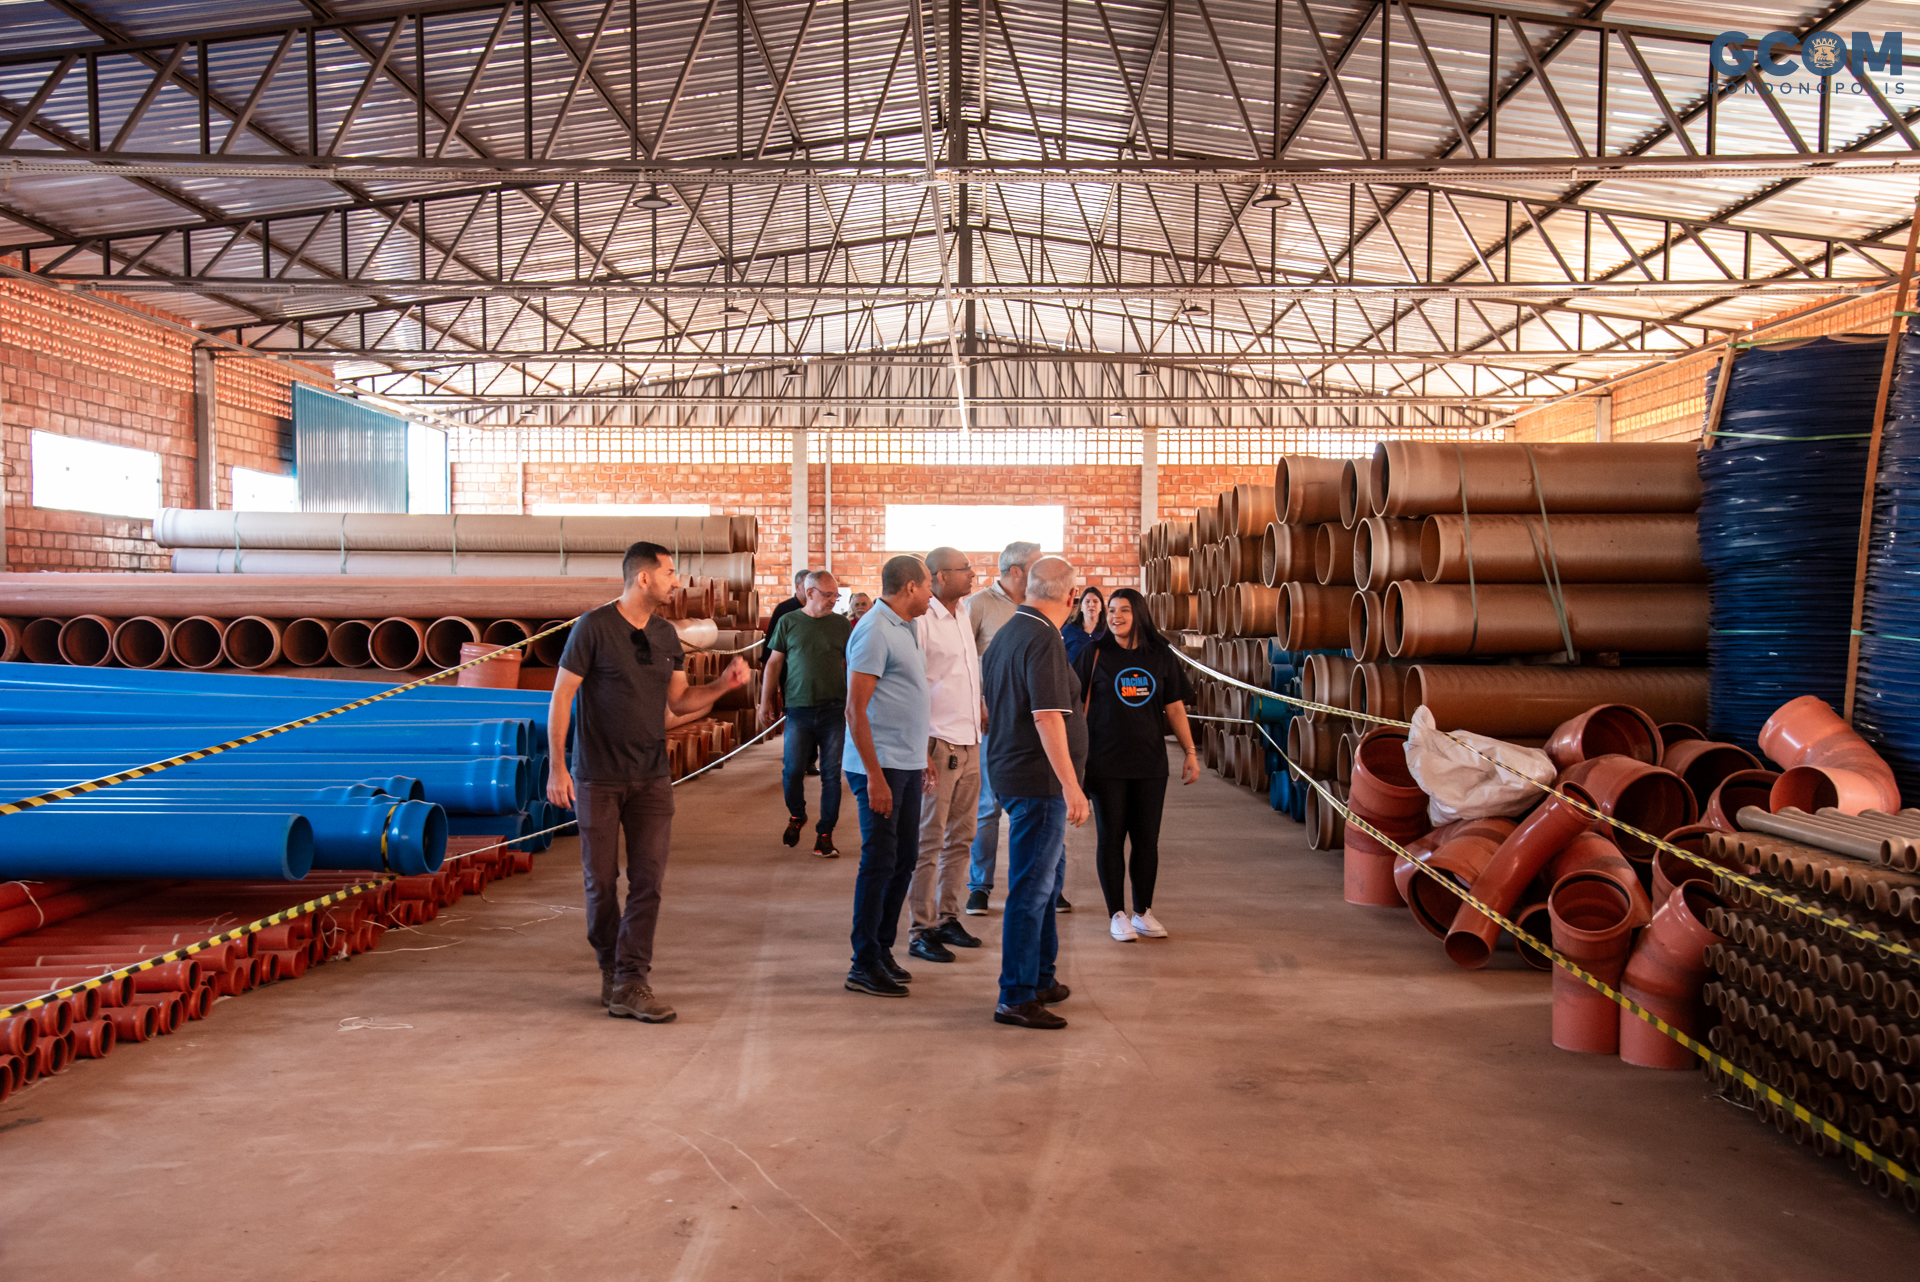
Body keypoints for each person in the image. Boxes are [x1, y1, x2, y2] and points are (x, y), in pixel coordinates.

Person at [547, 541, 751, 1023]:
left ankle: (631, 979)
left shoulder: (665, 635)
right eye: (669, 572)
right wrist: (557, 767)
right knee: (601, 883)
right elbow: (561, 698)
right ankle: (611, 966)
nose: (676, 581)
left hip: (652, 778)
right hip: (598, 778)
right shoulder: (592, 628)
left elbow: (679, 702)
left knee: (648, 883)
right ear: (643, 577)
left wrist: (722, 685)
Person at [981, 555, 1089, 1029]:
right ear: (1071, 596)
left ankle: (1041, 976)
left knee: (1047, 882)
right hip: (1039, 782)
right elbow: (1046, 717)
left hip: (1014, 772)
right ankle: (1016, 995)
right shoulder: (1044, 638)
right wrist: (1071, 786)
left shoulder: (1009, 631)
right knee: (1030, 888)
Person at [1072, 587, 1199, 943]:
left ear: (1139, 613)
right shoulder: (1094, 653)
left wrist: (1190, 751)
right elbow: (1073, 704)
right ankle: (1117, 914)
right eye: (1112, 610)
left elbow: (1175, 706)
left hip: (1150, 764)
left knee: (1147, 841)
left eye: (1124, 610)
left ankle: (1143, 912)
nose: (1115, 616)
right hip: (1105, 763)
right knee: (1111, 838)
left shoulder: (1159, 654)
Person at [842, 555, 934, 998]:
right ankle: (862, 963)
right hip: (879, 768)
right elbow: (854, 709)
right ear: (910, 587)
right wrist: (874, 776)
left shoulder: (905, 627)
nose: (931, 593)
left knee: (903, 859)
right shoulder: (875, 630)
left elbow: (905, 697)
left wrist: (922, 755)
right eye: (928, 585)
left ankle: (881, 949)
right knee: (879, 862)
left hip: (906, 762)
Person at [907, 547, 986, 965]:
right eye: (964, 569)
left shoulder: (962, 614)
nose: (972, 574)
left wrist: (980, 707)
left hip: (970, 741)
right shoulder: (923, 621)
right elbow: (915, 685)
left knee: (962, 838)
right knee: (929, 841)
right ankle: (920, 929)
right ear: (938, 576)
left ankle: (948, 917)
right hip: (938, 744)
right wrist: (921, 747)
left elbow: (964, 675)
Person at [964, 540, 1045, 917]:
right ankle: (979, 887)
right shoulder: (979, 605)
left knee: (1039, 804)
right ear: (1016, 571)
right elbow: (963, 661)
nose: (1041, 572)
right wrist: (978, 703)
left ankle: (1042, 885)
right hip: (993, 722)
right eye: (1035, 566)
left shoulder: (1039, 603)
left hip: (1035, 722)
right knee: (987, 807)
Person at [759, 569, 852, 858]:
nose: (833, 600)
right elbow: (774, 663)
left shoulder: (842, 625)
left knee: (831, 775)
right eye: (828, 595)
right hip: (798, 709)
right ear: (809, 593)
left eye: (836, 595)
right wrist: (765, 702)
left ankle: (825, 834)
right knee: (792, 771)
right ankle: (797, 815)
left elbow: (854, 664)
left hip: (834, 709)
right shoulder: (788, 621)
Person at [1061, 585, 1106, 665]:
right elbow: (1059, 658)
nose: (1091, 604)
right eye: (1087, 601)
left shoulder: (1108, 631)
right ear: (1081, 606)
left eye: (1095, 601)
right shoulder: (1068, 630)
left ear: (1101, 607)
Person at [768, 569, 809, 634]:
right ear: (797, 586)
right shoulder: (783, 609)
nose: (810, 589)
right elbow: (771, 637)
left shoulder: (817, 609)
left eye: (813, 586)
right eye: (807, 585)